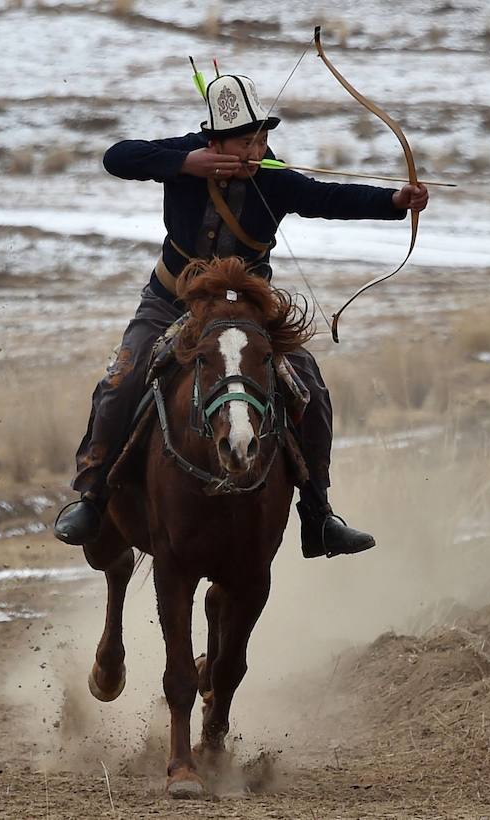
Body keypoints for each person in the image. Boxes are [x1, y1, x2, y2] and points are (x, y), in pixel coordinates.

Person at [53, 73, 430, 558]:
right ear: (215, 141)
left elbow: (328, 198)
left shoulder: (272, 178)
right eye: (245, 141)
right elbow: (117, 157)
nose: (256, 150)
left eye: (262, 139)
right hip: (172, 303)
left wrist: (394, 201)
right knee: (122, 381)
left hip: (248, 315)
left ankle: (318, 515)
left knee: (308, 389)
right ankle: (93, 495)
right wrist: (187, 163)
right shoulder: (184, 158)